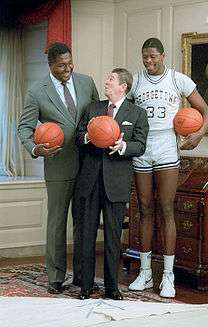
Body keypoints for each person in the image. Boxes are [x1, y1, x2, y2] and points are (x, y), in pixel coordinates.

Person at [128, 38, 208, 298]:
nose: (149, 61)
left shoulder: (178, 79)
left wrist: (198, 134)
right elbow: (122, 113)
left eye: (153, 56)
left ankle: (168, 275)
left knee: (166, 209)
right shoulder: (136, 82)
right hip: (142, 149)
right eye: (145, 57)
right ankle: (145, 272)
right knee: (143, 209)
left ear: (163, 56)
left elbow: (206, 112)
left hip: (166, 147)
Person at [17, 42, 99, 294]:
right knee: (57, 222)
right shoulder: (36, 92)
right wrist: (35, 149)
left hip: (88, 164)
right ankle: (55, 276)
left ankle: (82, 275)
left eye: (70, 62)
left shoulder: (86, 82)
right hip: (57, 164)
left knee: (84, 222)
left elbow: (97, 116)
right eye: (62, 65)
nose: (68, 68)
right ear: (50, 65)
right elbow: (24, 128)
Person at [73, 68, 149, 300]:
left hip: (116, 183)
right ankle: (85, 287)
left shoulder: (137, 113)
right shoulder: (93, 108)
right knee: (86, 235)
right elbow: (77, 137)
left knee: (113, 237)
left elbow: (140, 145)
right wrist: (90, 135)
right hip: (90, 182)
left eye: (111, 79)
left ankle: (111, 288)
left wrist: (123, 147)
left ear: (123, 86)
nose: (106, 82)